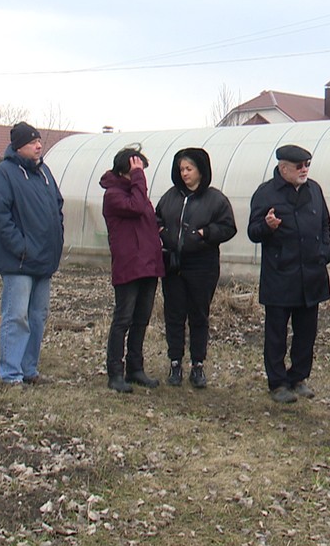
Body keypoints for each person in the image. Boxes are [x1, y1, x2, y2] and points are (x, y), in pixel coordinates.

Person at [247, 145, 330, 404]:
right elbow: (253, 232)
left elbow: (325, 223)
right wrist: (267, 226)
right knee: (276, 333)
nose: (304, 169)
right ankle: (277, 383)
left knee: (306, 331)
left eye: (307, 164)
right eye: (299, 166)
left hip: (311, 274)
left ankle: (298, 377)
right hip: (280, 275)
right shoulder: (266, 193)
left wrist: (325, 250)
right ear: (283, 168)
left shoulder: (314, 190)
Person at [0, 121, 64, 386]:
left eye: (39, 141)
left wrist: (57, 238)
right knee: (16, 316)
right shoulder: (5, 174)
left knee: (37, 317)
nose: (39, 145)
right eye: (33, 142)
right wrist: (22, 247)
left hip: (44, 259)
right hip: (18, 261)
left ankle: (29, 370)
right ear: (19, 146)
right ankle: (10, 374)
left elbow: (58, 205)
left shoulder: (44, 173)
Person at [155, 147, 237, 389]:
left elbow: (228, 227)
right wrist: (161, 231)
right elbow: (156, 217)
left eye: (189, 169)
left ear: (201, 171)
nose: (184, 174)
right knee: (174, 314)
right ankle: (174, 363)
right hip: (173, 265)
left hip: (203, 266)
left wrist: (205, 233)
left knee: (199, 315)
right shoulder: (170, 197)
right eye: (181, 169)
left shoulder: (215, 199)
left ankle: (198, 365)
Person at [100, 147, 165, 393]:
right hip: (129, 265)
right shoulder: (113, 195)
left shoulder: (136, 192)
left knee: (141, 320)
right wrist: (138, 177)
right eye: (138, 170)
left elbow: (145, 217)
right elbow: (137, 207)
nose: (141, 175)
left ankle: (135, 368)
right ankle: (115, 372)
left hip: (149, 264)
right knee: (123, 319)